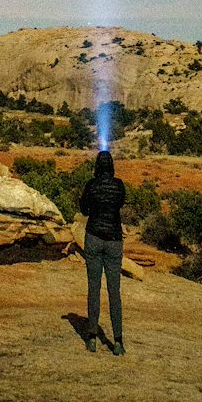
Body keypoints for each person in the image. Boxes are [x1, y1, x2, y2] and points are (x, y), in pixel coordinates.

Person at [79, 149, 126, 354]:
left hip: (94, 237)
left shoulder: (91, 185)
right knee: (114, 291)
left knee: (93, 288)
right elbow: (120, 204)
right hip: (114, 239)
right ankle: (117, 342)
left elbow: (84, 210)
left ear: (97, 165)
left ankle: (91, 338)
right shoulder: (119, 186)